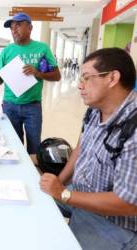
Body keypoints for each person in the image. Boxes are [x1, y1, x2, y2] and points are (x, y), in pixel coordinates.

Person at [40, 48, 137, 249]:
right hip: (82, 192)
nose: (79, 85)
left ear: (112, 78)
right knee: (35, 202)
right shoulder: (95, 109)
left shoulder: (133, 128)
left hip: (115, 221)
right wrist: (60, 183)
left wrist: (65, 195)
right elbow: (81, 148)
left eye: (86, 78)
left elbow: (128, 203)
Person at [0, 12, 61, 164]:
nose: (14, 30)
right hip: (10, 106)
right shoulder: (7, 51)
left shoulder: (42, 48)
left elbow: (57, 75)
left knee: (34, 145)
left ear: (30, 28)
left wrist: (38, 73)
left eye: (18, 26)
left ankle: (34, 176)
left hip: (33, 106)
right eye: (12, 28)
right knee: (14, 144)